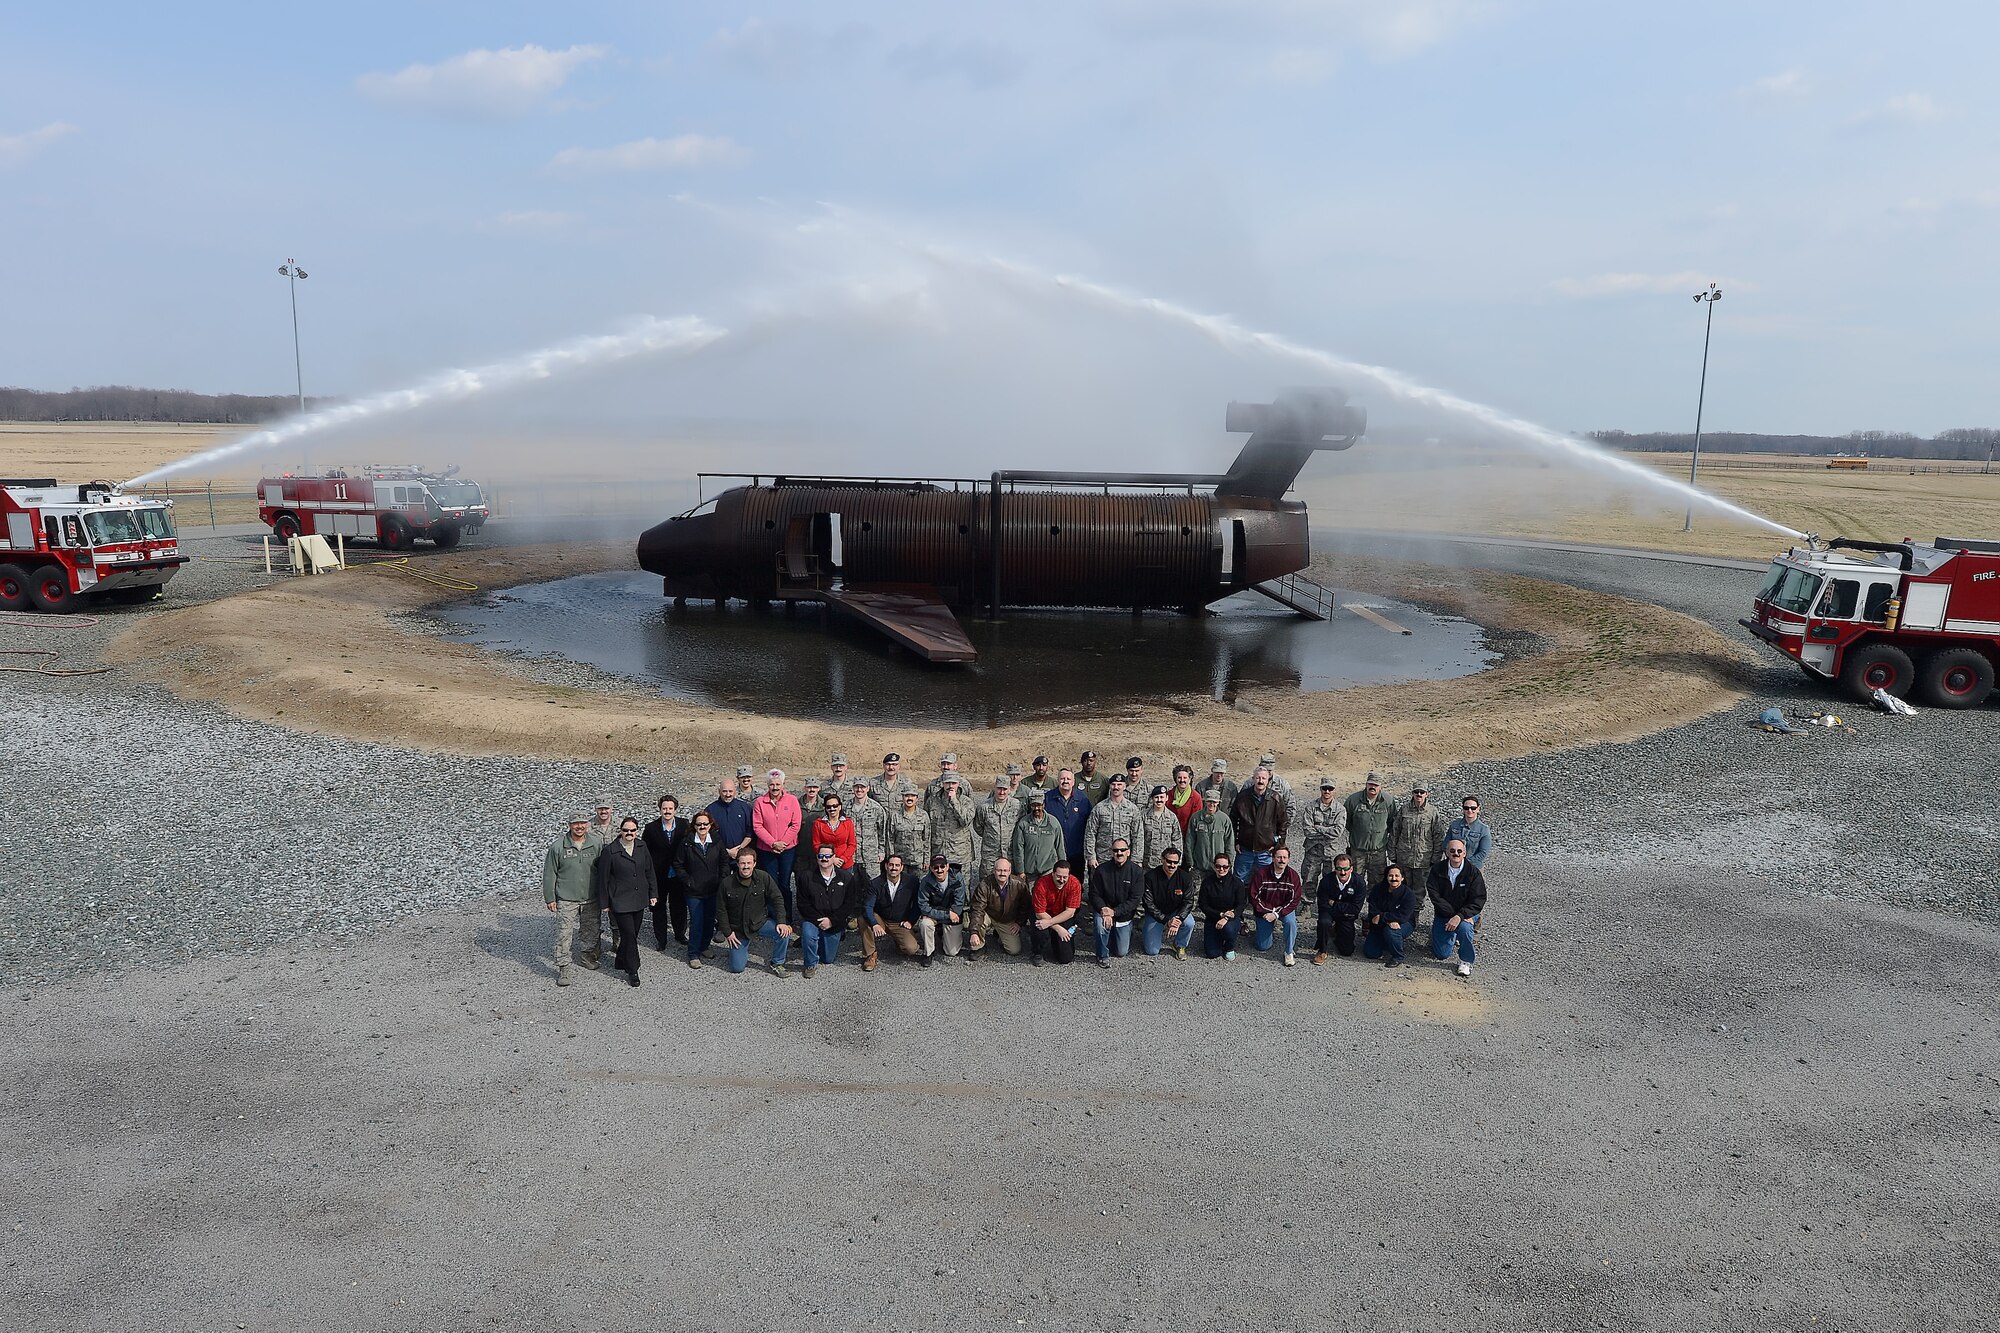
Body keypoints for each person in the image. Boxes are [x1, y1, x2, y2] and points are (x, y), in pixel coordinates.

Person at [591, 816, 659, 987]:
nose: (629, 833)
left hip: (639, 898)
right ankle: (633, 969)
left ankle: (620, 959)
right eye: (626, 830)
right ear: (620, 831)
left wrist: (653, 893)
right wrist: (604, 903)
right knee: (628, 934)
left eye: (632, 830)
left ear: (637, 831)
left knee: (633, 933)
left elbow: (649, 871)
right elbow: (603, 879)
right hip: (620, 900)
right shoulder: (610, 851)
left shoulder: (642, 846)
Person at [714, 847, 793, 976]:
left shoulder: (763, 877)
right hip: (739, 929)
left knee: (784, 933)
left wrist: (781, 922)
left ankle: (777, 963)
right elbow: (720, 910)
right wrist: (728, 933)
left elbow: (777, 898)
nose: (746, 866)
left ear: (754, 863)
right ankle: (740, 951)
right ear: (737, 864)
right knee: (737, 968)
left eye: (749, 863)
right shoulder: (726, 883)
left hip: (759, 922)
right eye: (742, 863)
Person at [543, 814, 602, 985]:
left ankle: (587, 956)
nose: (579, 827)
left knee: (590, 930)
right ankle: (564, 968)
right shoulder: (558, 846)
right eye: (576, 823)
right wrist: (550, 898)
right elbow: (549, 874)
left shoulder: (596, 843)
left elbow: (604, 869)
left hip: (591, 897)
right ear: (569, 825)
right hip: (566, 899)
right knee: (564, 934)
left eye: (582, 823)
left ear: (587, 824)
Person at [793, 846, 862, 978]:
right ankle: (810, 963)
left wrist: (832, 921)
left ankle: (814, 942)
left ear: (834, 857)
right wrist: (819, 920)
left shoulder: (846, 877)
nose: (824, 859)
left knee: (828, 959)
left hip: (834, 922)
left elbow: (849, 904)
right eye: (821, 856)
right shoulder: (806, 877)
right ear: (817, 857)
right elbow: (803, 904)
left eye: (828, 856)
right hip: (813, 920)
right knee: (808, 933)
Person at [1388, 783, 1448, 930]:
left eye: (1422, 792)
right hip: (1404, 859)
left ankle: (1414, 918)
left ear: (1427, 794)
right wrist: (1392, 853)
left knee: (1419, 892)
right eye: (1416, 792)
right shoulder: (1404, 810)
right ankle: (1400, 915)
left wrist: (1436, 858)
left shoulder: (1432, 812)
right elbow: (1395, 832)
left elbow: (1438, 837)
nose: (1419, 795)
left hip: (1423, 860)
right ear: (1413, 794)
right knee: (1401, 888)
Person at [1426, 838, 1488, 978]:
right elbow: (1435, 896)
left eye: (1459, 851)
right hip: (1444, 914)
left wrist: (1460, 916)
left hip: (1465, 915)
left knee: (1465, 928)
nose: (1456, 853)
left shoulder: (1473, 872)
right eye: (1452, 850)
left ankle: (1466, 961)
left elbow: (1478, 899)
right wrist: (1453, 916)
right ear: (1447, 852)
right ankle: (1450, 935)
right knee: (1441, 954)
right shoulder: (1437, 870)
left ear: (1464, 853)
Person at [675, 809, 728, 968]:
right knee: (697, 922)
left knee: (710, 920)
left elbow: (724, 862)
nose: (702, 827)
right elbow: (678, 864)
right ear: (694, 826)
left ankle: (705, 946)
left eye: (705, 824)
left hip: (713, 889)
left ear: (710, 825)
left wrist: (722, 880)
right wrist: (688, 881)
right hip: (694, 891)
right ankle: (693, 953)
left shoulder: (717, 841)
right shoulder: (686, 843)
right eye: (699, 824)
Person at [641, 794, 689, 950]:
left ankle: (680, 934)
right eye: (664, 808)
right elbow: (645, 852)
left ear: (675, 809)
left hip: (678, 874)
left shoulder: (684, 825)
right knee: (658, 908)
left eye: (670, 808)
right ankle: (661, 939)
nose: (667, 811)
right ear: (660, 809)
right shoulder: (651, 828)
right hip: (658, 874)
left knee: (679, 906)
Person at [1086, 838, 1143, 966]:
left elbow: (1134, 900)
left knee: (1121, 952)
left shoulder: (1137, 872)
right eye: (1116, 850)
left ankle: (1122, 931)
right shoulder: (1101, 870)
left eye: (1122, 850)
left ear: (1128, 852)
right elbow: (1094, 894)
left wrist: (1114, 912)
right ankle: (1102, 956)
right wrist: (1103, 909)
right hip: (1104, 911)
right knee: (1100, 926)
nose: (1119, 853)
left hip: (1123, 915)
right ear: (1111, 852)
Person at [753, 769, 803, 913]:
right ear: (767, 785)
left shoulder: (792, 800)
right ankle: (773, 916)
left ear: (783, 784)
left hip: (788, 850)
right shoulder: (760, 802)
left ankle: (787, 916)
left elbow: (796, 824)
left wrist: (783, 843)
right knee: (771, 883)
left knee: (785, 884)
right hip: (767, 850)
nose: (775, 788)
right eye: (771, 785)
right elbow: (757, 826)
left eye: (777, 784)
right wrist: (773, 843)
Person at [1246, 844, 1304, 966]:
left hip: (1283, 909)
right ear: (1273, 858)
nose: (1282, 860)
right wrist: (1266, 912)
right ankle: (1266, 931)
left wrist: (1277, 914)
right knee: (1262, 946)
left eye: (1285, 857)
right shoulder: (1261, 874)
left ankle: (1289, 951)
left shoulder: (1293, 876)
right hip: (1265, 911)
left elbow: (1294, 900)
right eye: (1279, 857)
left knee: (1291, 922)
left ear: (1288, 859)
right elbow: (1253, 897)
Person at [863, 852, 923, 968]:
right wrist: (874, 924)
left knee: (911, 949)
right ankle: (871, 954)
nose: (893, 868)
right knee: (863, 919)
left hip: (900, 922)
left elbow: (917, 904)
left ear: (902, 867)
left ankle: (898, 941)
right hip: (881, 919)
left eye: (897, 865)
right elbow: (868, 906)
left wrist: (911, 921)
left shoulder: (912, 881)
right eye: (891, 865)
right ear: (886, 866)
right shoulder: (875, 883)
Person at [1230, 766, 1289, 883]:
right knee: (1239, 881)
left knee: (1268, 881)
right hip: (1244, 849)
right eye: (1258, 778)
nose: (1260, 781)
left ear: (1268, 780)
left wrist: (1278, 844)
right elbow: (1233, 820)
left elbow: (1282, 823)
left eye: (1263, 778)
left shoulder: (1275, 798)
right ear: (1253, 779)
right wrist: (1235, 842)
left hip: (1266, 850)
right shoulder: (1242, 797)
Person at [967, 857, 1032, 958]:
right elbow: (977, 909)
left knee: (1014, 950)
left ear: (1010, 871)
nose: (1002, 873)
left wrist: (1019, 923)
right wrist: (974, 932)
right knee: (978, 920)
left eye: (1005, 870)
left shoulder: (1019, 884)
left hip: (1007, 919)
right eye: (999, 870)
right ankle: (978, 947)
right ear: (994, 871)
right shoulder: (985, 885)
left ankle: (1000, 935)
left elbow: (1025, 907)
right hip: (989, 915)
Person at [1139, 847, 1196, 957]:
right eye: (1169, 861)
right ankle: (1150, 928)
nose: (1172, 865)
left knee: (1189, 923)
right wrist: (1166, 920)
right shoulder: (1150, 877)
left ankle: (1180, 945)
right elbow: (1148, 903)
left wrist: (1178, 919)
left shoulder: (1186, 878)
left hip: (1176, 913)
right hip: (1156, 914)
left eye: (1175, 862)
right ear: (1162, 860)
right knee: (1152, 951)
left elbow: (1188, 901)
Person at [1311, 853, 1366, 962]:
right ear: (1335, 868)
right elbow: (1323, 905)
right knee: (1324, 922)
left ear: (1351, 869)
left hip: (1346, 916)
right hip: (1330, 912)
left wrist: (1335, 904)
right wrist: (1343, 908)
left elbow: (1355, 908)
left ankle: (1336, 930)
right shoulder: (1326, 881)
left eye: (1345, 869)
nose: (1342, 872)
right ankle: (1322, 950)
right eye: (1339, 869)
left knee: (1347, 951)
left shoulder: (1359, 883)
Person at [1297, 778, 1348, 895]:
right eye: (1325, 788)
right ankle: (1307, 903)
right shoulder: (1310, 807)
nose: (1327, 791)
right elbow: (1308, 831)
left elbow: (1337, 832)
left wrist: (1318, 828)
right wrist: (1328, 831)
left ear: (1334, 790)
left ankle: (1328, 903)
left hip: (1331, 851)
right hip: (1313, 850)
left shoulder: (1340, 810)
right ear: (1320, 789)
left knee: (1332, 881)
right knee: (1308, 878)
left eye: (1330, 788)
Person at [1361, 863, 1417, 968]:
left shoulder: (1408, 894)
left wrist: (1382, 917)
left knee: (1391, 931)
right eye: (1390, 875)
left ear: (1402, 878)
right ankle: (1389, 942)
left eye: (1397, 876)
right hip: (1380, 924)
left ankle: (1398, 956)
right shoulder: (1377, 889)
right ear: (1386, 877)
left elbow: (1403, 916)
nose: (1394, 878)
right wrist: (1387, 919)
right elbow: (1373, 911)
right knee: (1370, 953)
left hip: (1404, 923)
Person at [916, 853, 968, 966]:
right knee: (925, 923)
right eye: (935, 867)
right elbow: (923, 906)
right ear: (931, 869)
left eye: (942, 866)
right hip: (937, 914)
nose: (939, 870)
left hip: (952, 915)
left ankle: (942, 932)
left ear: (947, 866)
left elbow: (959, 903)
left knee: (951, 952)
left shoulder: (957, 878)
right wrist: (946, 914)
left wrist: (952, 914)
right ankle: (928, 953)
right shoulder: (926, 882)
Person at [1344, 772, 1393, 889]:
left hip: (1378, 852)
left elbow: (1392, 822)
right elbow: (1346, 821)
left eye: (1376, 785)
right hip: (1357, 850)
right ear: (1366, 784)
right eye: (1370, 784)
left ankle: (1373, 900)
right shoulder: (1353, 800)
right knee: (1355, 881)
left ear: (1380, 787)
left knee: (1378, 883)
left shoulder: (1388, 801)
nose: (1373, 787)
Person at [1029, 861, 1082, 965]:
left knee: (1065, 958)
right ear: (1052, 873)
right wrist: (1059, 929)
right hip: (1044, 914)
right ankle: (1037, 953)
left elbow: (1070, 912)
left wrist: (1050, 923)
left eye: (1064, 877)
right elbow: (1039, 913)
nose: (1061, 880)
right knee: (1039, 928)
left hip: (1063, 915)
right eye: (1058, 876)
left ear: (1069, 875)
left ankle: (1055, 939)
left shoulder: (1075, 884)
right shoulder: (1041, 884)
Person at [1084, 774, 1142, 870]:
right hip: (1102, 858)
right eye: (1113, 784)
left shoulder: (1132, 809)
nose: (1116, 787)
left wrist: (1136, 860)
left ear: (1125, 786)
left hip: (1124, 858)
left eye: (1119, 784)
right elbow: (1090, 833)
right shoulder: (1099, 808)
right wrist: (1091, 856)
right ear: (1110, 786)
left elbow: (1138, 835)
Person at [1197, 853, 1246, 960]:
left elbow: (1241, 904)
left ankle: (1229, 946)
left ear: (1229, 867)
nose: (1221, 869)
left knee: (1228, 930)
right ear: (1214, 866)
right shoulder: (1207, 882)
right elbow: (1203, 904)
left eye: (1225, 866)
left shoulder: (1237, 883)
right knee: (1212, 953)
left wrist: (1227, 917)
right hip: (1213, 918)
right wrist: (1220, 914)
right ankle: (1218, 938)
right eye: (1218, 866)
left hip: (1231, 918)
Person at [973, 775, 1022, 883]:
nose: (1002, 792)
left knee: (1011, 883)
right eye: (999, 788)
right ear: (994, 787)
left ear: (1009, 789)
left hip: (1010, 853)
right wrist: (991, 837)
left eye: (1004, 789)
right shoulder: (984, 807)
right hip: (990, 854)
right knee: (986, 882)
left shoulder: (1017, 806)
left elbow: (1020, 827)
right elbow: (978, 827)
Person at [1044, 768, 1093, 871]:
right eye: (1062, 778)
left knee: (1076, 880)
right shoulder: (1048, 798)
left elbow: (1090, 825)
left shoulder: (1083, 800)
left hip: (1076, 852)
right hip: (1053, 852)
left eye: (1068, 779)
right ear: (1058, 780)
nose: (1065, 781)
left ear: (1073, 782)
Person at [1009, 789, 1063, 881]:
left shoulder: (1053, 823)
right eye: (1033, 805)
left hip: (1048, 870)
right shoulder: (1023, 823)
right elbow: (1018, 848)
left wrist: (1062, 868)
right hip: (1029, 872)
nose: (1036, 808)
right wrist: (1020, 870)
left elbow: (1060, 847)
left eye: (1039, 805)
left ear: (1043, 805)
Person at [928, 774, 976, 872]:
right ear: (943, 783)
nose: (950, 786)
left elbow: (965, 821)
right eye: (947, 783)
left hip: (960, 854)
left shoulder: (966, 802)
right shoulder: (932, 801)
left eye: (953, 783)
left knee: (961, 881)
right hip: (938, 851)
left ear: (958, 784)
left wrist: (954, 801)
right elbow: (926, 825)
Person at [1186, 788, 1236, 877]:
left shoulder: (1224, 819)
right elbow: (1190, 841)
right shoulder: (1196, 818)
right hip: (1199, 867)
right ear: (1205, 801)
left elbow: (1229, 843)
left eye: (1214, 802)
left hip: (1219, 869)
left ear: (1218, 802)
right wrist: (1190, 862)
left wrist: (1229, 863)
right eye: (1209, 801)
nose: (1211, 804)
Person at [706, 778, 754, 866]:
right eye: (724, 791)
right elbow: (707, 835)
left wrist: (739, 850)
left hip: (742, 858)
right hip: (719, 857)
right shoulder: (710, 810)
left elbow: (750, 833)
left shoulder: (745, 808)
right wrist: (727, 851)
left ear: (735, 791)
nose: (728, 794)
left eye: (730, 791)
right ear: (719, 791)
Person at [847, 777, 889, 878]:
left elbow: (882, 832)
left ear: (868, 788)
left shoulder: (876, 808)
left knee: (873, 884)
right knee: (851, 884)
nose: (859, 790)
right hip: (851, 856)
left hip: (871, 857)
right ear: (853, 788)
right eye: (857, 787)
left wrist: (881, 851)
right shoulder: (845, 807)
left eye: (862, 787)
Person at [1138, 785, 1185, 868]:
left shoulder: (1172, 817)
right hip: (1147, 863)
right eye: (1156, 797)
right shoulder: (1143, 816)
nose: (1159, 800)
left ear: (1167, 798)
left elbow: (1177, 840)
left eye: (1162, 797)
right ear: (1152, 799)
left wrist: (1177, 861)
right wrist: (1138, 860)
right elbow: (1138, 839)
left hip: (1166, 863)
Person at [887, 789, 932, 874]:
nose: (909, 798)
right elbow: (890, 839)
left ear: (917, 798)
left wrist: (926, 860)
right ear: (902, 798)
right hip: (900, 861)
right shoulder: (895, 815)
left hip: (918, 861)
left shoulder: (923, 815)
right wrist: (891, 859)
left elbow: (926, 840)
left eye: (913, 796)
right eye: (907, 796)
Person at [810, 792, 857, 870]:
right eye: (829, 807)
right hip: (825, 863)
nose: (832, 809)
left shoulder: (848, 823)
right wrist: (831, 859)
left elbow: (852, 844)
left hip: (845, 864)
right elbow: (816, 845)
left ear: (840, 807)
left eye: (835, 806)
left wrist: (843, 859)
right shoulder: (818, 823)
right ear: (825, 808)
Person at [1446, 795, 1493, 870]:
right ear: (1463, 809)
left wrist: (1465, 863)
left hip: (1473, 868)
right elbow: (1446, 844)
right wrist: (1454, 860)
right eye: (1466, 808)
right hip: (1453, 867)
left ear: (1478, 809)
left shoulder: (1484, 829)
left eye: (1473, 808)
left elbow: (1483, 853)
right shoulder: (1454, 825)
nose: (1469, 810)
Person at [1165, 764, 1200, 834]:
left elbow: (1196, 820)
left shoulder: (1196, 797)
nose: (1182, 780)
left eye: (1185, 778)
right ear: (1175, 779)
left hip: (1188, 834)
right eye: (1179, 777)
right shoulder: (1168, 795)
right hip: (1169, 833)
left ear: (1189, 779)